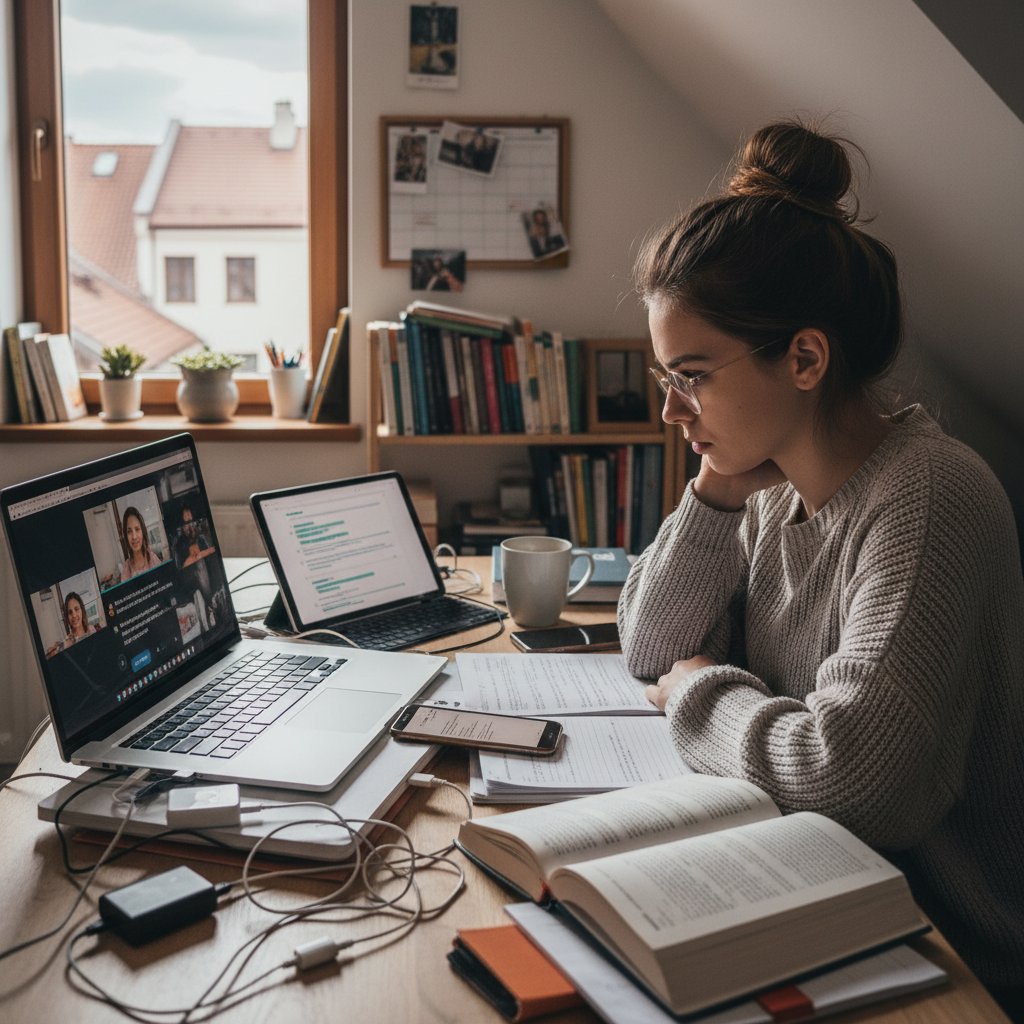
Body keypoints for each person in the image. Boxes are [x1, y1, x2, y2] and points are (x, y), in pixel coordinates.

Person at [618, 120, 1024, 1018]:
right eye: (664, 377)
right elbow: (650, 644)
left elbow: (853, 781)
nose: (672, 409)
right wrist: (717, 488)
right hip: (817, 893)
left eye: (691, 375)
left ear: (804, 357)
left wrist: (697, 690)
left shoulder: (928, 500)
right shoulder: (767, 484)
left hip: (946, 951)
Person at [46, 591, 98, 656]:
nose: (74, 615)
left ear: (82, 610)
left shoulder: (91, 629)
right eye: (70, 612)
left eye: (76, 609)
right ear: (67, 617)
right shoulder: (67, 643)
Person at [121, 505, 162, 579]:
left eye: (137, 529)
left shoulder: (153, 559)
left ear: (143, 531)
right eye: (129, 531)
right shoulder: (126, 569)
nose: (134, 536)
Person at [174, 502, 213, 567]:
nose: (190, 526)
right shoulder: (179, 545)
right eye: (187, 523)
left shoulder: (201, 539)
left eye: (192, 522)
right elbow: (181, 567)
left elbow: (210, 559)